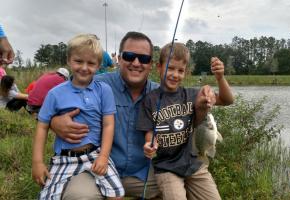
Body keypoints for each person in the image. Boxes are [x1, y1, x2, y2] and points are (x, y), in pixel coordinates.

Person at [50, 31, 217, 200]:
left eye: (143, 59)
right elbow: (53, 101)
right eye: (129, 56)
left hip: (145, 173)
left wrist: (208, 94)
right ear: (119, 58)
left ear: (151, 64)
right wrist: (54, 122)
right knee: (78, 197)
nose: (136, 63)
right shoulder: (98, 84)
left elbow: (208, 103)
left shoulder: (160, 94)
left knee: (179, 185)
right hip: (97, 168)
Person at [31, 34, 124, 200]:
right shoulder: (55, 93)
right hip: (65, 158)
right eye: (78, 61)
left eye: (91, 63)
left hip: (95, 154)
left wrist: (103, 156)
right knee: (48, 197)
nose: (84, 68)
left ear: (99, 65)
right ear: (69, 60)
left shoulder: (104, 90)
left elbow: (109, 125)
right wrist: (37, 162)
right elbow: (42, 126)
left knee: (116, 194)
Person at [136, 42, 234, 200]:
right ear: (159, 67)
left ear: (186, 73)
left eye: (180, 70)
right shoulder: (149, 101)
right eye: (170, 68)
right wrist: (150, 144)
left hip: (194, 163)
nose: (175, 74)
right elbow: (149, 133)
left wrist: (220, 78)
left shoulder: (193, 95)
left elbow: (227, 100)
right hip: (166, 168)